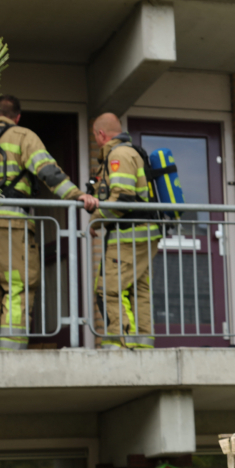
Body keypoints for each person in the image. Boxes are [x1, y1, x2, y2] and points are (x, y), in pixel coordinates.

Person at [0, 95, 98, 350]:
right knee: (18, 285)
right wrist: (77, 195)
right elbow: (47, 171)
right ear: (17, 117)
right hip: (10, 223)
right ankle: (11, 352)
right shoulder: (23, 136)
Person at [90, 112, 161, 349]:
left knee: (109, 289)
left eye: (95, 136)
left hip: (128, 236)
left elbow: (123, 198)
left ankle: (119, 344)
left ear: (101, 134)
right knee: (138, 289)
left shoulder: (118, 155)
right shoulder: (132, 151)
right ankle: (141, 343)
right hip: (144, 234)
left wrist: (96, 220)